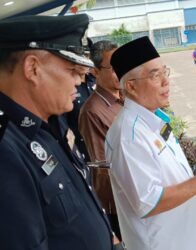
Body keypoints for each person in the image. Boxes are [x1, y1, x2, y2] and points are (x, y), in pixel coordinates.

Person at [0, 14, 124, 250]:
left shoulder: (46, 126)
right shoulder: (6, 150)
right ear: (33, 68)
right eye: (72, 71)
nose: (79, 81)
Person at [106, 36, 196, 250]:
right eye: (155, 75)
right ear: (131, 86)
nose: (166, 82)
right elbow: (148, 202)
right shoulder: (128, 135)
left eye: (164, 71)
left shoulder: (152, 119)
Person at [78, 40, 123, 240]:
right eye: (113, 68)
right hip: (120, 202)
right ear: (95, 72)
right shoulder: (92, 111)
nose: (121, 72)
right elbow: (102, 164)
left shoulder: (126, 97)